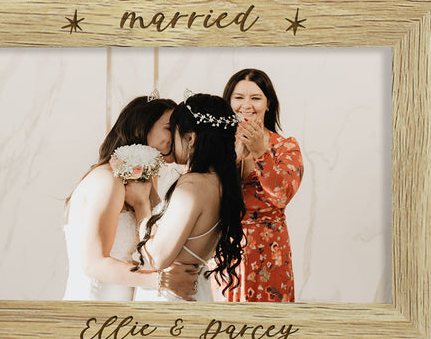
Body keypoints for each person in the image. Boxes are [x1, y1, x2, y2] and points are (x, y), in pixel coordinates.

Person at [62, 95, 197, 301]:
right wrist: (161, 281)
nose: (175, 136)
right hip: (94, 307)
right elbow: (94, 263)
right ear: (139, 128)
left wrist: (144, 202)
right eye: (168, 128)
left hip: (125, 311)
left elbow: (155, 245)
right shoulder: (107, 180)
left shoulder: (143, 181)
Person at [130, 94, 244, 302]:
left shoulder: (192, 186)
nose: (170, 141)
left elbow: (157, 258)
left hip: (167, 298)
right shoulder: (220, 183)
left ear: (190, 138)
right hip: (194, 293)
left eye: (172, 131)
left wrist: (140, 205)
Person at [221, 68, 303, 302]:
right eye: (238, 98)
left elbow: (281, 196)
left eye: (255, 98)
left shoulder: (286, 146)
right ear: (229, 102)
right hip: (224, 248)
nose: (246, 105)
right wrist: (233, 158)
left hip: (271, 251)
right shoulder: (214, 146)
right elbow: (199, 192)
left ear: (268, 104)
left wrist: (259, 152)